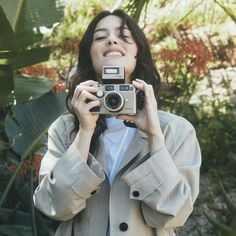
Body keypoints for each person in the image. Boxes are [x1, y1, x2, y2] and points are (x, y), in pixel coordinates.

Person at [33, 9, 201, 236]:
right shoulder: (64, 129)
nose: (112, 39)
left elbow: (175, 214)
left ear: (137, 52)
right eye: (100, 37)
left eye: (124, 36)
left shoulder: (175, 130)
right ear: (90, 55)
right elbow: (54, 207)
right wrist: (84, 131)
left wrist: (155, 137)